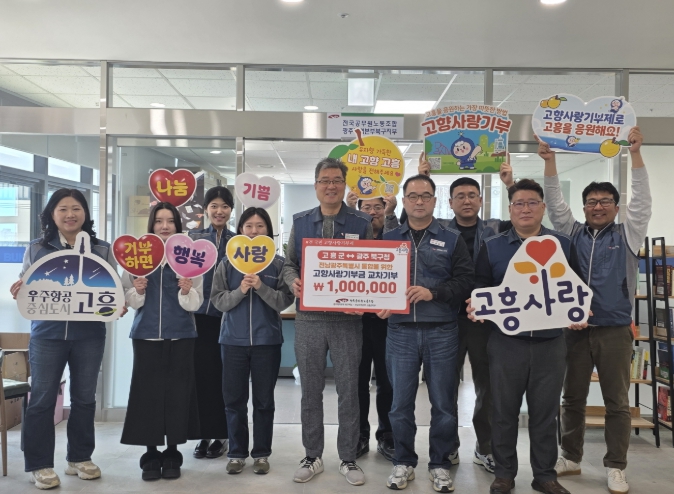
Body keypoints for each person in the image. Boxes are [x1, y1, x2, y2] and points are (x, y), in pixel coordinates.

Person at [539, 127, 651, 494]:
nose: (597, 206)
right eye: (591, 201)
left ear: (616, 207)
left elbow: (642, 201)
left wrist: (635, 155)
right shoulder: (572, 234)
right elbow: (555, 203)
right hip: (574, 330)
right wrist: (550, 161)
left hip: (614, 331)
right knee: (572, 398)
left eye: (605, 201)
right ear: (585, 206)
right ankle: (570, 457)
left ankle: (616, 466)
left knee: (617, 402)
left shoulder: (627, 235)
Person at [10, 189, 124, 490]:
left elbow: (113, 290)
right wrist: (19, 290)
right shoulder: (37, 248)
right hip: (47, 334)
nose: (70, 214)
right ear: (52, 213)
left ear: (85, 212)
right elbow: (27, 287)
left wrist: (119, 303)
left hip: (90, 335)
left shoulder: (102, 249)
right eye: (63, 209)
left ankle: (79, 458)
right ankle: (39, 464)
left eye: (76, 208)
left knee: (85, 398)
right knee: (42, 399)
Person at [468, 179, 576, 494]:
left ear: (543, 207)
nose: (525, 209)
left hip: (550, 342)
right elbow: (481, 288)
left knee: (545, 413)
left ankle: (545, 475)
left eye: (531, 202)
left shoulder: (563, 244)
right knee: (503, 412)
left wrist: (579, 311)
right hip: (506, 342)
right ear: (510, 209)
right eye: (519, 203)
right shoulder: (493, 246)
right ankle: (504, 474)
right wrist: (476, 306)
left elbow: (577, 285)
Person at [417, 152, 514, 471]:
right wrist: (424, 179)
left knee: (488, 386)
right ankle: (448, 447)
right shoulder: (439, 230)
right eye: (460, 196)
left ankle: (485, 447)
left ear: (481, 200)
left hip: (487, 322)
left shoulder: (497, 229)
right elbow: (409, 222)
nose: (467, 200)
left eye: (472, 195)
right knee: (444, 387)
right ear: (450, 202)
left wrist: (510, 184)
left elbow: (523, 218)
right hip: (447, 318)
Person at [282, 157, 373, 487]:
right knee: (311, 390)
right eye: (324, 180)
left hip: (347, 321)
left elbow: (373, 265)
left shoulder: (362, 222)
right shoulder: (301, 221)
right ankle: (312, 455)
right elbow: (289, 264)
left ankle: (348, 457)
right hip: (309, 319)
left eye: (336, 180)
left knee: (349, 390)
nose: (331, 186)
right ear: (316, 185)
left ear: (344, 184)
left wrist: (367, 299)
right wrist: (293, 281)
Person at [381, 174, 474, 493]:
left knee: (444, 403)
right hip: (400, 332)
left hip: (442, 331)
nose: (419, 201)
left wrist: (433, 292)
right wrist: (377, 303)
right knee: (400, 404)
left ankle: (440, 464)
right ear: (404, 201)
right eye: (413, 196)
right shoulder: (389, 238)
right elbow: (376, 279)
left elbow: (465, 280)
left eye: (425, 196)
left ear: (435, 201)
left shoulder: (451, 239)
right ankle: (403, 461)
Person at [120, 202, 204, 481]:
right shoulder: (136, 256)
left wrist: (186, 289)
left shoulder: (189, 257)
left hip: (181, 335)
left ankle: (172, 453)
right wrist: (137, 289)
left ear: (178, 226)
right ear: (152, 225)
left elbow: (195, 304)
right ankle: (150, 454)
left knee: (177, 395)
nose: (164, 226)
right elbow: (130, 300)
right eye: (159, 221)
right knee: (148, 396)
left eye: (170, 221)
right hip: (146, 336)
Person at [210, 207, 294, 475]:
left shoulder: (278, 264)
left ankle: (261, 454)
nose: (254, 231)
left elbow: (284, 301)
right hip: (232, 342)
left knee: (264, 401)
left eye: (260, 226)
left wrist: (261, 287)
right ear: (240, 230)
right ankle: (236, 453)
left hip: (267, 342)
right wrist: (240, 290)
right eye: (248, 226)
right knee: (233, 401)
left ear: (268, 230)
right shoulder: (226, 263)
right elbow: (218, 301)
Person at [346, 192, 397, 462]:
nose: (373, 211)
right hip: (356, 322)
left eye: (378, 206)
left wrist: (392, 212)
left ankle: (387, 434)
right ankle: (360, 434)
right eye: (367, 207)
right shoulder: (352, 237)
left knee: (387, 383)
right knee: (358, 382)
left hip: (388, 323)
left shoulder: (394, 236)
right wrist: (348, 209)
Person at [188, 186, 235, 459]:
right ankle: (203, 434)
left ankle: (222, 434)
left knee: (224, 379)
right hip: (198, 319)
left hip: (228, 318)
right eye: (214, 206)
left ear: (231, 210)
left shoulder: (237, 242)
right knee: (201, 378)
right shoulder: (193, 238)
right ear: (206, 209)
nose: (219, 211)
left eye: (225, 206)